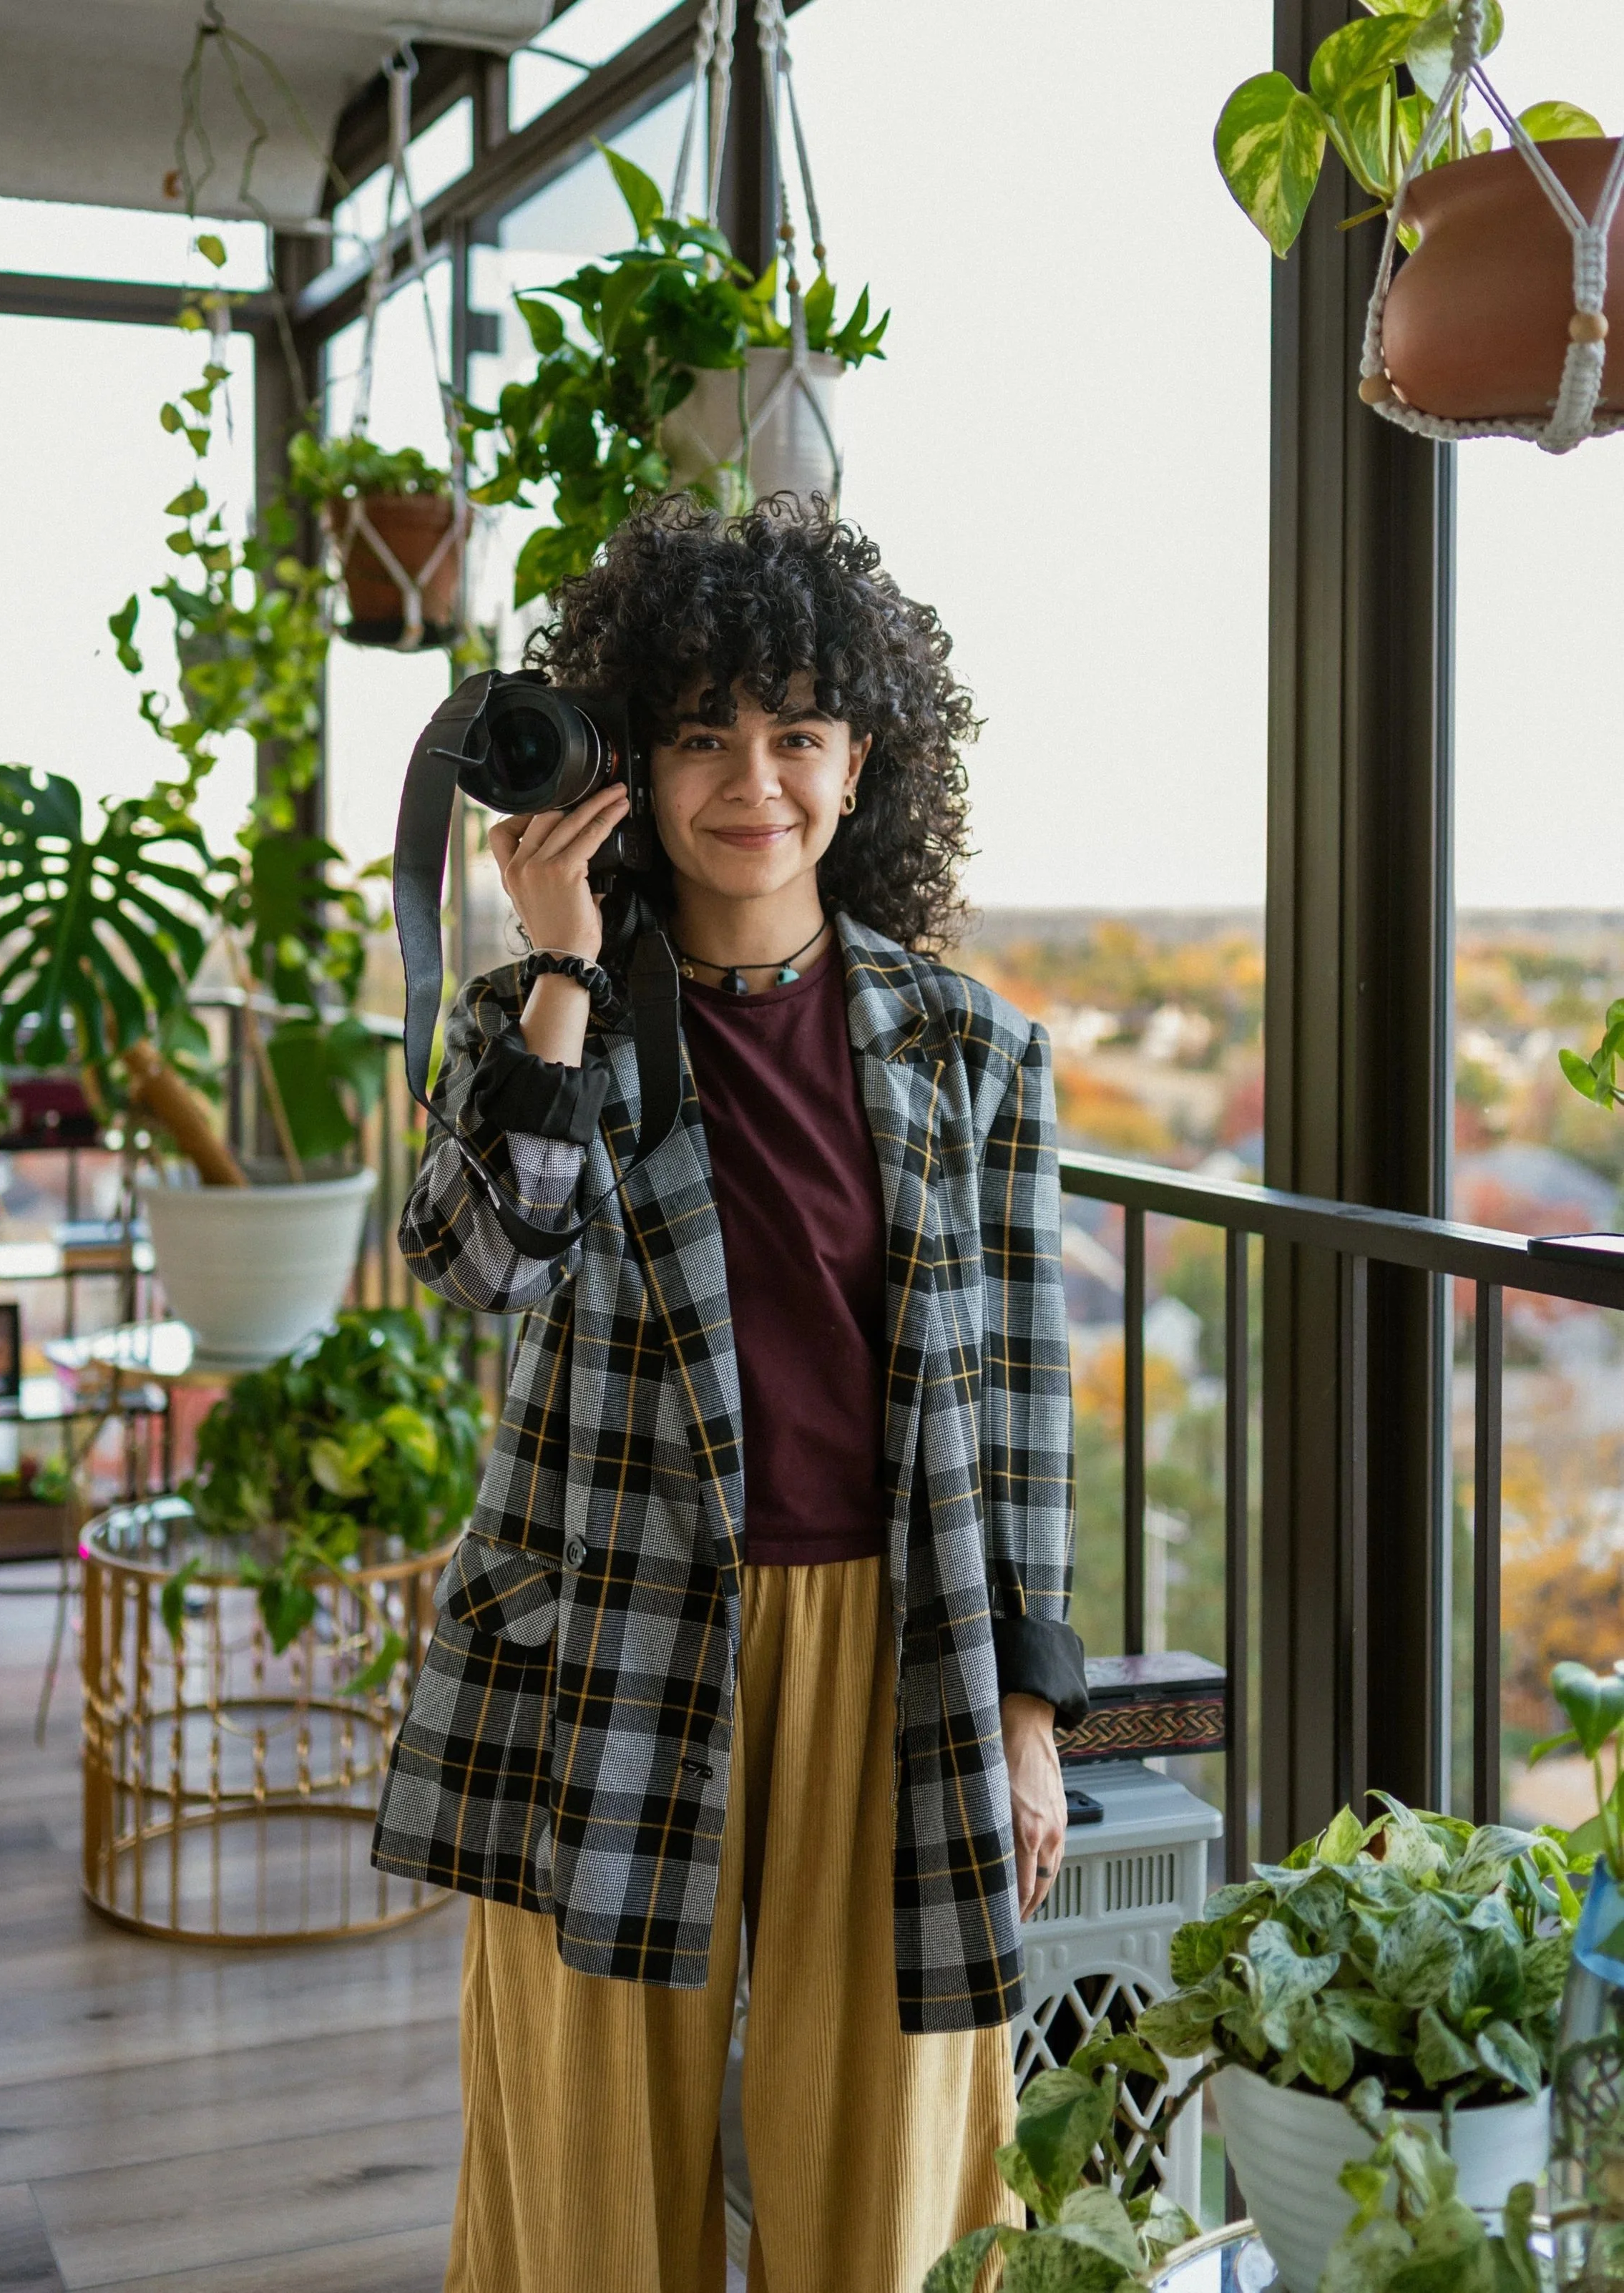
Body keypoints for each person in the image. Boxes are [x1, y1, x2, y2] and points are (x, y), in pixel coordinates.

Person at [373, 499, 1085, 2293]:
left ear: (862, 762)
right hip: (608, 1622)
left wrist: (1027, 1707)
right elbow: (476, 1267)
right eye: (699, 733)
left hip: (895, 1632)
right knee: (583, 2157)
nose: (750, 779)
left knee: (903, 2155)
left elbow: (1020, 1402)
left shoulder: (971, 1047)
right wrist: (552, 964)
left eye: (795, 731)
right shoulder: (536, 1019)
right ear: (628, 764)